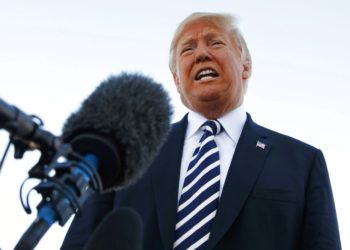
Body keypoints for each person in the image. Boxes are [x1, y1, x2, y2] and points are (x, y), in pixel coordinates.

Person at [61, 12, 341, 250]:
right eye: (188, 49)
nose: (202, 54)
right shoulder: (128, 154)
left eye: (215, 42)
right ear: (176, 79)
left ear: (246, 67)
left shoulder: (302, 162)